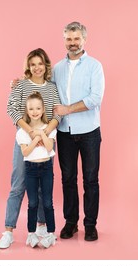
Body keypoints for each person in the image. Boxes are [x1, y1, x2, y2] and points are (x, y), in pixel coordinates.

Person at [0, 48, 61, 249]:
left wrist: (45, 133)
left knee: (43, 187)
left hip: (47, 140)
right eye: (33, 64)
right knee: (18, 185)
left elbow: (57, 113)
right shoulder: (21, 86)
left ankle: (41, 226)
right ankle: (8, 230)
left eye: (40, 63)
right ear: (28, 66)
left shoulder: (52, 88)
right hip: (26, 140)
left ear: (46, 65)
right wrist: (32, 132)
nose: (37, 67)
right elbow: (12, 109)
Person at [53, 21, 105, 241]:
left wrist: (68, 109)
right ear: (64, 40)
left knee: (91, 179)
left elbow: (95, 99)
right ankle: (71, 223)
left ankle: (90, 225)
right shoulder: (57, 68)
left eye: (76, 39)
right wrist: (19, 84)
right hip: (64, 132)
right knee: (68, 179)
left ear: (84, 39)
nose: (72, 43)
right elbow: (47, 92)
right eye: (68, 39)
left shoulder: (95, 66)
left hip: (89, 131)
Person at [16, 92, 57, 248]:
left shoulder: (49, 128)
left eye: (38, 108)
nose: (35, 111)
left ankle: (51, 234)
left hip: (46, 168)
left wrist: (41, 134)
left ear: (43, 109)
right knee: (32, 203)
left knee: (47, 202)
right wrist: (37, 137)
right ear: (27, 110)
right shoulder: (22, 132)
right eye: (31, 109)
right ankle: (31, 234)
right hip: (31, 170)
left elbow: (49, 147)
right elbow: (25, 152)